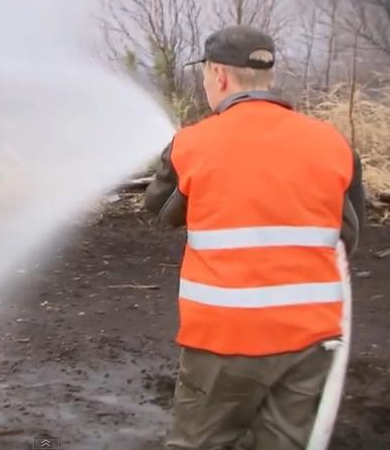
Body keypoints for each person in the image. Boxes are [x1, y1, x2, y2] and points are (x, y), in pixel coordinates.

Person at [144, 25, 366, 450]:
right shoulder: (332, 144)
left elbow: (161, 211)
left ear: (220, 76)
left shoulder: (192, 144)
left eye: (207, 76)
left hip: (224, 340)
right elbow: (348, 237)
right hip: (311, 342)